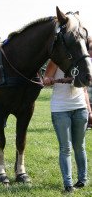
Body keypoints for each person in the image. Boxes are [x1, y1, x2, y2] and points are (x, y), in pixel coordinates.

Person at [43, 60, 91, 193]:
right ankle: (68, 184)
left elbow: (85, 89)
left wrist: (89, 110)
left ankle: (82, 180)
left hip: (80, 108)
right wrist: (48, 80)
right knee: (65, 148)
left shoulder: (82, 61)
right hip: (60, 109)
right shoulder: (56, 60)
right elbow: (46, 78)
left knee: (80, 146)